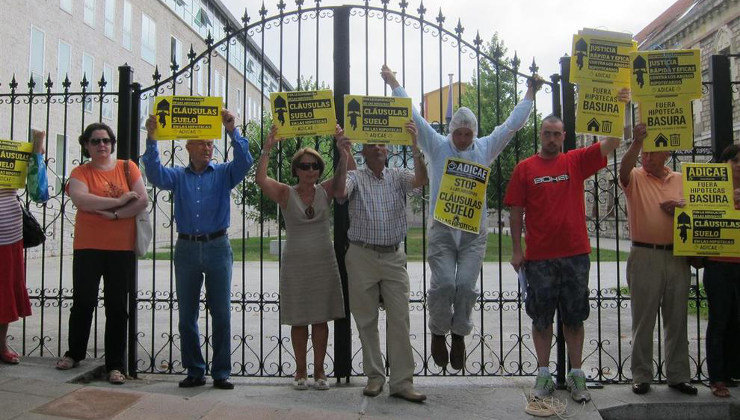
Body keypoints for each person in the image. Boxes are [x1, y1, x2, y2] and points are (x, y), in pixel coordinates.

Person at [381, 64, 543, 370]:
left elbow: (510, 127)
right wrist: (394, 83)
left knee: (466, 286)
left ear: (475, 133)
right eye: (459, 133)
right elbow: (413, 114)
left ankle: (458, 334)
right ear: (451, 131)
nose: (464, 138)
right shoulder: (438, 146)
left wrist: (530, 94)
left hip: (472, 234)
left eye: (468, 134)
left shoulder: (484, 148)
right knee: (443, 283)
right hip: (442, 230)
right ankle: (438, 332)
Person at [504, 110, 626, 402]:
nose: (551, 138)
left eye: (556, 134)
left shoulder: (575, 161)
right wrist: (517, 249)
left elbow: (611, 142)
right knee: (541, 318)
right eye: (546, 133)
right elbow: (516, 210)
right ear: (541, 135)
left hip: (575, 254)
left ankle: (576, 376)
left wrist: (619, 107)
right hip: (539, 258)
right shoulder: (525, 168)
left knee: (574, 318)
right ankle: (543, 375)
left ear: (563, 137)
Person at [141, 109, 253, 390]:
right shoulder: (178, 176)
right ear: (188, 147)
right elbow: (153, 174)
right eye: (201, 143)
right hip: (187, 249)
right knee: (186, 314)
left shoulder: (225, 173)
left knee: (222, 313)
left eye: (210, 144)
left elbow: (245, 161)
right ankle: (194, 369)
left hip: (218, 246)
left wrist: (232, 130)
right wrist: (152, 138)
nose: (207, 148)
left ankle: (221, 372)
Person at [335, 121, 428, 403]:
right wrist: (342, 156)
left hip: (393, 256)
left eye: (381, 144)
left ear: (387, 150)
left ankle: (401, 382)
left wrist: (415, 146)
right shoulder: (355, 176)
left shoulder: (398, 175)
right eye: (372, 144)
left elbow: (420, 181)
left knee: (399, 318)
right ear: (362, 150)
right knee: (366, 320)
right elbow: (339, 193)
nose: (378, 148)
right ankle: (375, 376)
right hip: (361, 254)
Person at [255, 125, 348, 391]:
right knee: (299, 319)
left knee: (321, 318)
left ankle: (320, 371)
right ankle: (300, 370)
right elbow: (261, 179)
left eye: (315, 166)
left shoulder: (326, 191)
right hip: (296, 264)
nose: (310, 171)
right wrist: (268, 148)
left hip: (323, 261)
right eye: (305, 166)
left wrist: (343, 147)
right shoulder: (285, 193)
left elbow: (348, 173)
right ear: (296, 169)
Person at [57, 123, 148, 385]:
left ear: (112, 143)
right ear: (86, 144)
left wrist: (116, 215)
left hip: (121, 248)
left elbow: (141, 200)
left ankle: (115, 365)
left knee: (117, 307)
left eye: (106, 140)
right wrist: (119, 201)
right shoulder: (81, 171)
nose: (102, 145)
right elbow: (81, 199)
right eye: (95, 141)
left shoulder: (127, 168)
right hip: (88, 246)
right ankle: (74, 353)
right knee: (84, 302)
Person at [618, 122, 696, 396]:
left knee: (677, 318)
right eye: (644, 154)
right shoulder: (636, 177)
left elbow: (700, 209)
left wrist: (682, 208)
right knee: (643, 319)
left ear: (667, 153)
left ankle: (679, 375)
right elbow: (623, 170)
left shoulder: (681, 180)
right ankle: (641, 375)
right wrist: (637, 142)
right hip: (645, 254)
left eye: (652, 153)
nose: (646, 158)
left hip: (676, 256)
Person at [0, 129, 48, 364]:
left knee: (5, 291)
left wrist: (36, 152)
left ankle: (1, 346)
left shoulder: (12, 152)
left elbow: (39, 193)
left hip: (8, 233)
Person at [703, 144, 740, 398]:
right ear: (725, 163)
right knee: (719, 320)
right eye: (735, 160)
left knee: (737, 320)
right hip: (718, 263)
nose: (738, 165)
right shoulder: (711, 190)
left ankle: (732, 371)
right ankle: (717, 378)